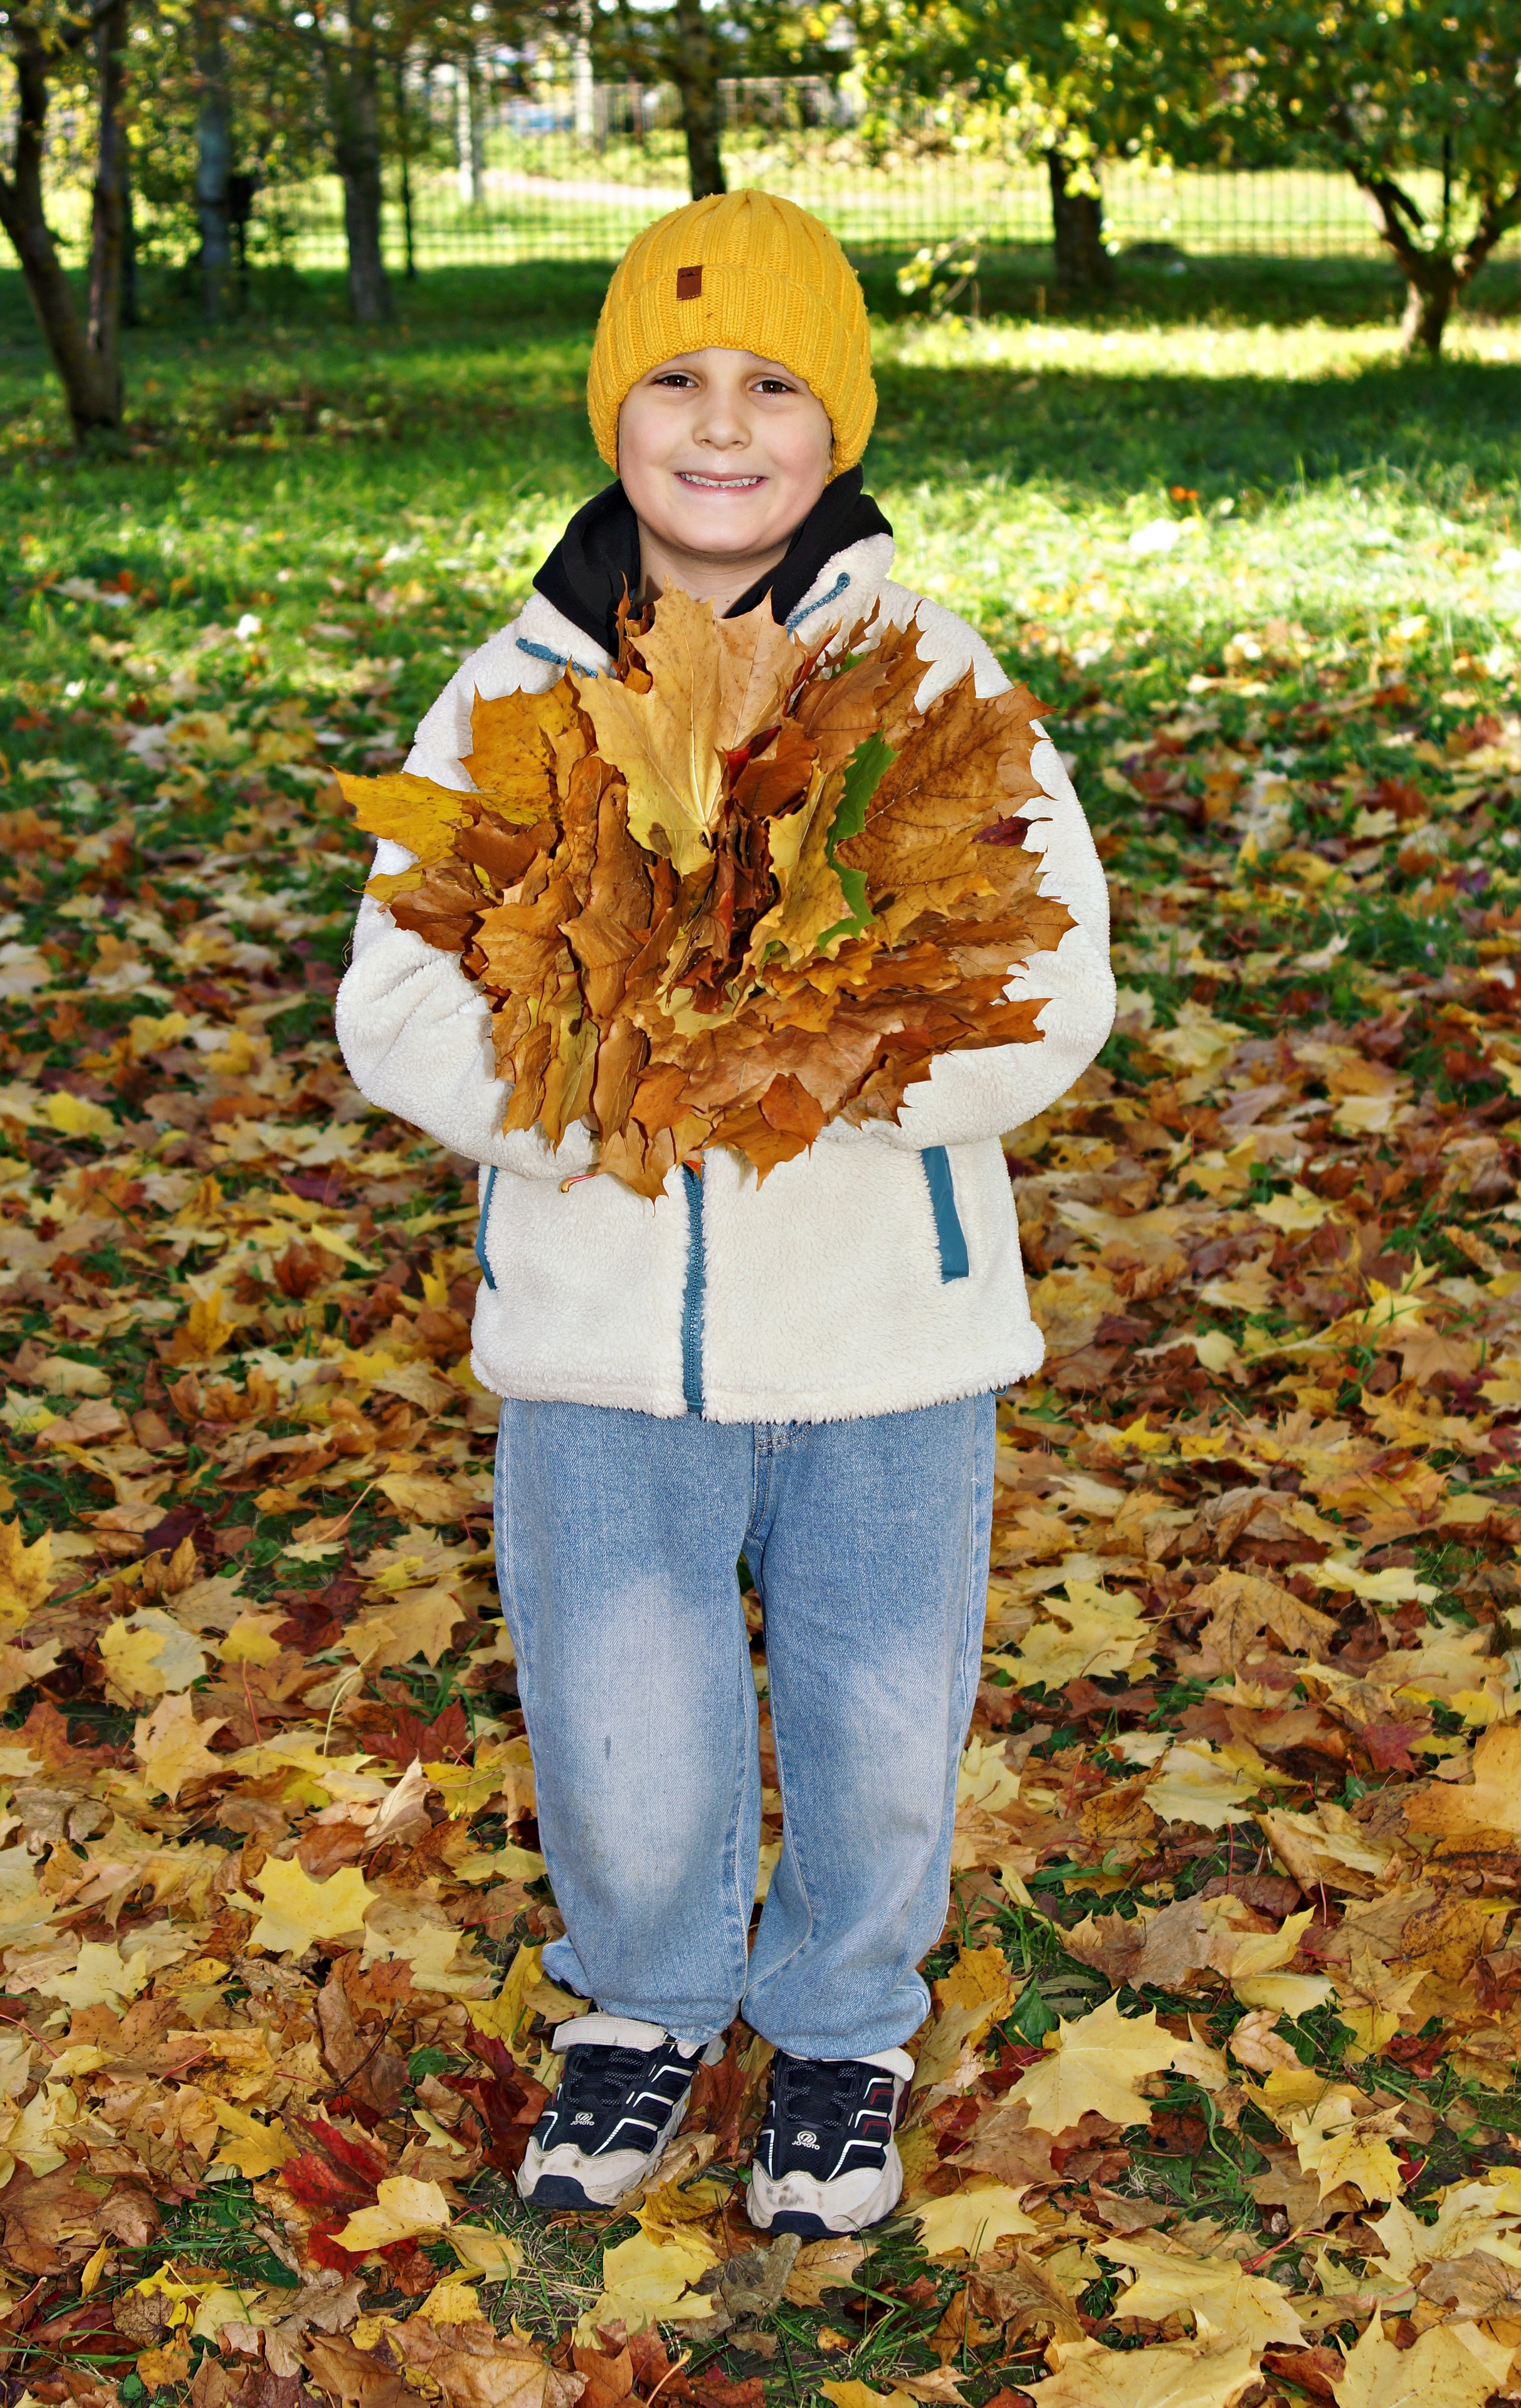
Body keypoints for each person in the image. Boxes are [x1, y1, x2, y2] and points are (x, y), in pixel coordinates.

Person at [336, 191, 1115, 2239]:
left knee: (876, 1709)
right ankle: (645, 2003)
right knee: (621, 1712)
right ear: (615, 414)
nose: (718, 421)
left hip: (889, 1344)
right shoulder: (509, 697)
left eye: (773, 384)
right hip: (602, 1349)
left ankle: (846, 2020)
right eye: (673, 379)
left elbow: (1050, 988)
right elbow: (400, 1000)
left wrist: (818, 1062)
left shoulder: (934, 683)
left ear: (835, 425)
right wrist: (603, 1102)